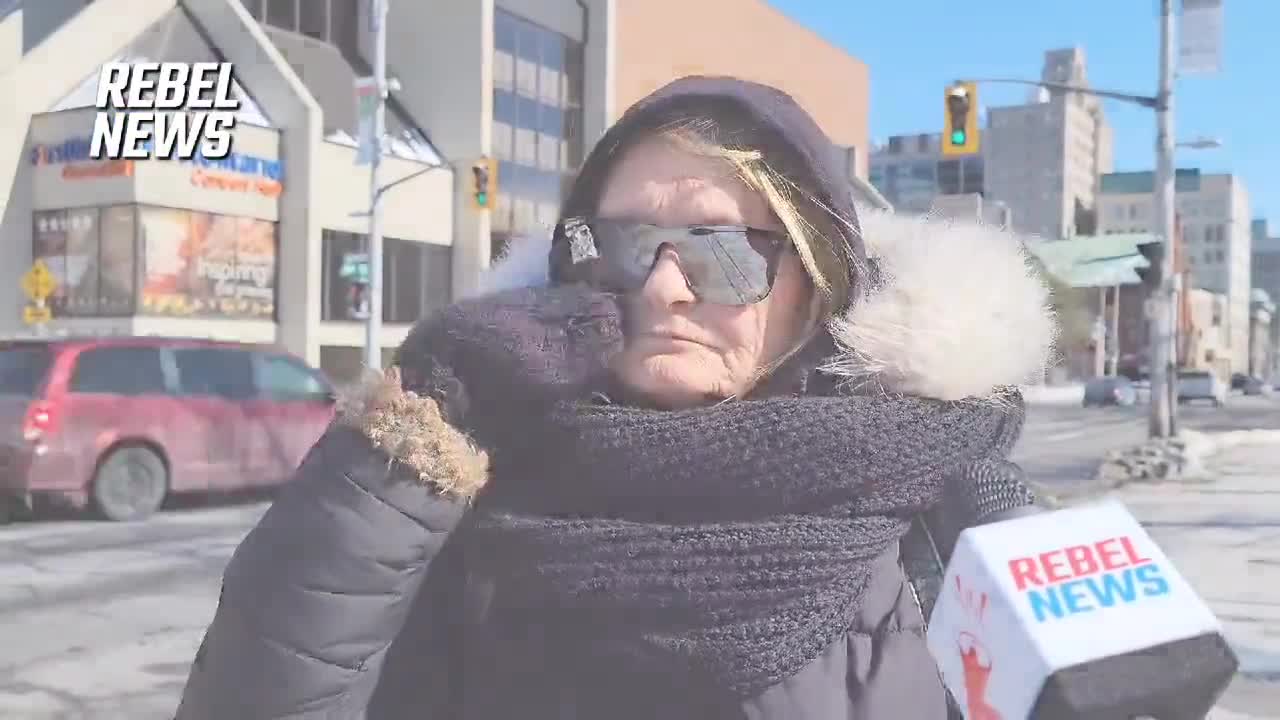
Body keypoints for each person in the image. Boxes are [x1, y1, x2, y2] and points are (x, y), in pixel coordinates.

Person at [174, 76, 1055, 719]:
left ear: (815, 286)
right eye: (626, 243)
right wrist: (423, 421)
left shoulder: (929, 509)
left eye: (724, 251)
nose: (666, 288)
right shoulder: (479, 491)